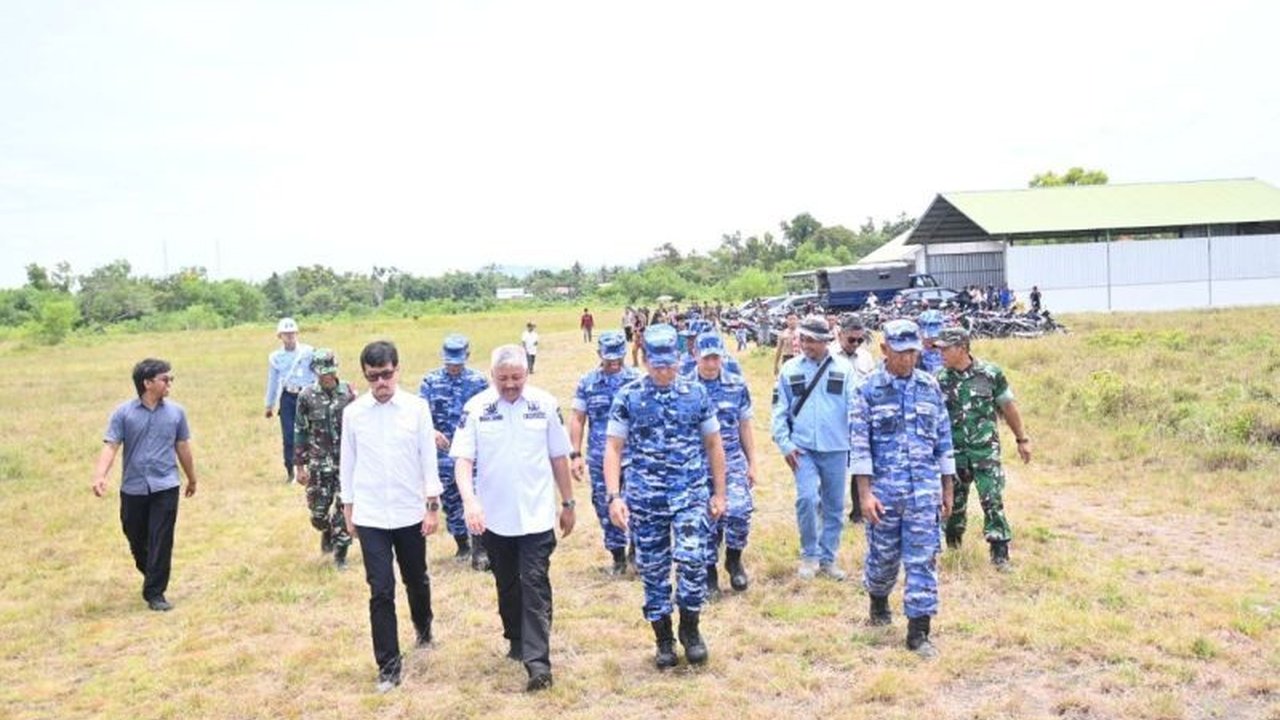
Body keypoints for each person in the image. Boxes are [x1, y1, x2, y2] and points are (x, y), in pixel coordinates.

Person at [451, 345, 576, 693]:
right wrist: (470, 501)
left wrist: (568, 502)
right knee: (507, 583)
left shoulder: (545, 405)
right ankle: (516, 638)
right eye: (503, 379)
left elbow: (558, 457)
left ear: (527, 374)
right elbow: (463, 461)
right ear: (491, 376)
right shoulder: (476, 409)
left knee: (534, 582)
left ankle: (538, 663)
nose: (510, 385)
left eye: (516, 378)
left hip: (536, 515)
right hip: (494, 517)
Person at [605, 324, 727, 669]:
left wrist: (720, 492)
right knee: (653, 570)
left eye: (670, 364)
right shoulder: (628, 397)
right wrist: (615, 496)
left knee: (692, 561)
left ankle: (691, 629)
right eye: (657, 365)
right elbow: (613, 448)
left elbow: (714, 444)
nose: (664, 371)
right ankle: (663, 638)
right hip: (646, 499)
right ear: (644, 360)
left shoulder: (696, 394)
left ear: (680, 358)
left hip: (689, 495)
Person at [340, 341, 442, 693]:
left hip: (409, 510)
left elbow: (428, 460)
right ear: (365, 375)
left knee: (416, 578)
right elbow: (347, 463)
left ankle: (423, 626)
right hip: (370, 515)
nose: (381, 382)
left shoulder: (416, 409)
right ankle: (388, 665)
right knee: (380, 589)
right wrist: (348, 509)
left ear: (397, 369)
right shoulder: (353, 413)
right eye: (373, 377)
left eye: (386, 374)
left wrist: (432, 507)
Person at [850, 320, 955, 659]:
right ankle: (878, 601)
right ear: (884, 350)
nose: (908, 359)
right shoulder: (868, 390)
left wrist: (947, 488)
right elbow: (860, 447)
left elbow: (944, 440)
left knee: (923, 560)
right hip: (885, 492)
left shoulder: (930, 387)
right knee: (883, 559)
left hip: (924, 491)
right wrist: (865, 495)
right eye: (901, 352)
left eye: (913, 352)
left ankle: (919, 631)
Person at [91, 358, 197, 612]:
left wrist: (192, 477)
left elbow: (182, 446)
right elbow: (111, 445)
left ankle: (155, 593)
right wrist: (100, 475)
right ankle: (152, 572)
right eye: (165, 379)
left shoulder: (176, 413)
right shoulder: (123, 413)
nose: (170, 383)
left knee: (161, 538)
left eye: (170, 378)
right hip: (134, 487)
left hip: (166, 485)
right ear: (147, 383)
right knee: (135, 536)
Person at [934, 327, 1031, 569]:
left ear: (962, 348)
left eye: (946, 348)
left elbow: (1008, 407)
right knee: (953, 505)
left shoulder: (990, 374)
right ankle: (953, 545)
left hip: (984, 451)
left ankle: (1000, 552)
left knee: (992, 499)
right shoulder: (938, 380)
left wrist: (1022, 439)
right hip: (953, 454)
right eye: (940, 349)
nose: (941, 353)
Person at [771, 315, 854, 580]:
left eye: (811, 340)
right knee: (806, 499)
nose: (806, 344)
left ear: (825, 341)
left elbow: (856, 409)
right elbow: (778, 412)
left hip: (836, 448)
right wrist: (785, 444)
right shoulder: (790, 370)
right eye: (802, 339)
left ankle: (828, 559)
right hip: (802, 449)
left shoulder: (844, 369)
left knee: (833, 506)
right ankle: (809, 554)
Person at [688, 331, 757, 599]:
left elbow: (745, 426)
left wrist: (753, 463)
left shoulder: (736, 386)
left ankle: (733, 558)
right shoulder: (685, 387)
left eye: (716, 358)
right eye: (706, 358)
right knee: (706, 521)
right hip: (697, 465)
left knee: (739, 512)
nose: (711, 364)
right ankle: (709, 573)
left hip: (732, 462)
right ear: (696, 357)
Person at [568, 330, 642, 575]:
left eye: (617, 358)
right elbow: (578, 418)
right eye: (608, 358)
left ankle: (636, 553)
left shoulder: (637, 381)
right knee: (605, 505)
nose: (612, 363)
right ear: (599, 353)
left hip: (634, 456)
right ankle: (618, 557)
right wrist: (575, 454)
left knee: (638, 504)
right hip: (600, 456)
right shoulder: (587, 383)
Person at [418, 334, 491, 571]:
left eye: (458, 362)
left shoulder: (479, 382)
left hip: (472, 452)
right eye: (450, 362)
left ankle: (480, 550)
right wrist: (431, 431)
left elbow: (489, 413)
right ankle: (462, 543)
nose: (453, 367)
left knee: (475, 495)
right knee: (450, 500)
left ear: (467, 357)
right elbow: (419, 417)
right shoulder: (430, 382)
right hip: (444, 454)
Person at [294, 348, 357, 570]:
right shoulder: (306, 396)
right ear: (316, 372)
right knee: (318, 514)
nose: (327, 377)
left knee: (343, 508)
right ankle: (327, 530)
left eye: (330, 372)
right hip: (319, 463)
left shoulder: (348, 392)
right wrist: (299, 467)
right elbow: (300, 430)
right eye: (323, 373)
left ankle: (341, 554)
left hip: (345, 463)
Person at [830, 313, 876, 524]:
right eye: (852, 340)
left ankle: (858, 512)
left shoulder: (866, 357)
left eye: (860, 340)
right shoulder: (827, 355)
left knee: (861, 463)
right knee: (834, 466)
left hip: (861, 420)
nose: (856, 344)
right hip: (834, 418)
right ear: (840, 334)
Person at [264, 318, 315, 483]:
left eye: (292, 333)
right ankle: (291, 470)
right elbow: (273, 381)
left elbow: (316, 373)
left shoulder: (308, 352)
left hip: (306, 395)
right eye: (286, 334)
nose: (290, 337)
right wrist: (269, 405)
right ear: (280, 336)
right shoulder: (276, 357)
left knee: (310, 432)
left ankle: (310, 468)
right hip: (288, 397)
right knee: (289, 436)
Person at [916, 309, 945, 374]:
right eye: (929, 338)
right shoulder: (914, 355)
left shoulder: (949, 352)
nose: (933, 340)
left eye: (935, 338)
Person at [772, 311, 800, 375]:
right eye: (790, 319)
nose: (792, 321)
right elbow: (778, 350)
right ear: (786, 321)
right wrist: (776, 365)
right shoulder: (783, 334)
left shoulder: (802, 333)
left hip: (799, 357)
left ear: (797, 320)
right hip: (788, 358)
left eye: (794, 319)